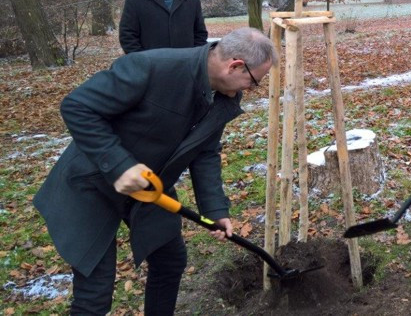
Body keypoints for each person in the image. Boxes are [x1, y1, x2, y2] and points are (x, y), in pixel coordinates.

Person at [34, 27, 276, 315]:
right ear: (235, 65)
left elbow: (206, 151)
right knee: (94, 292)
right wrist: (120, 165)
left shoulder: (223, 97)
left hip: (148, 189)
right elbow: (78, 106)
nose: (251, 89)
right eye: (254, 81)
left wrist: (215, 210)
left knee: (170, 260)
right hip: (91, 182)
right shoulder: (152, 67)